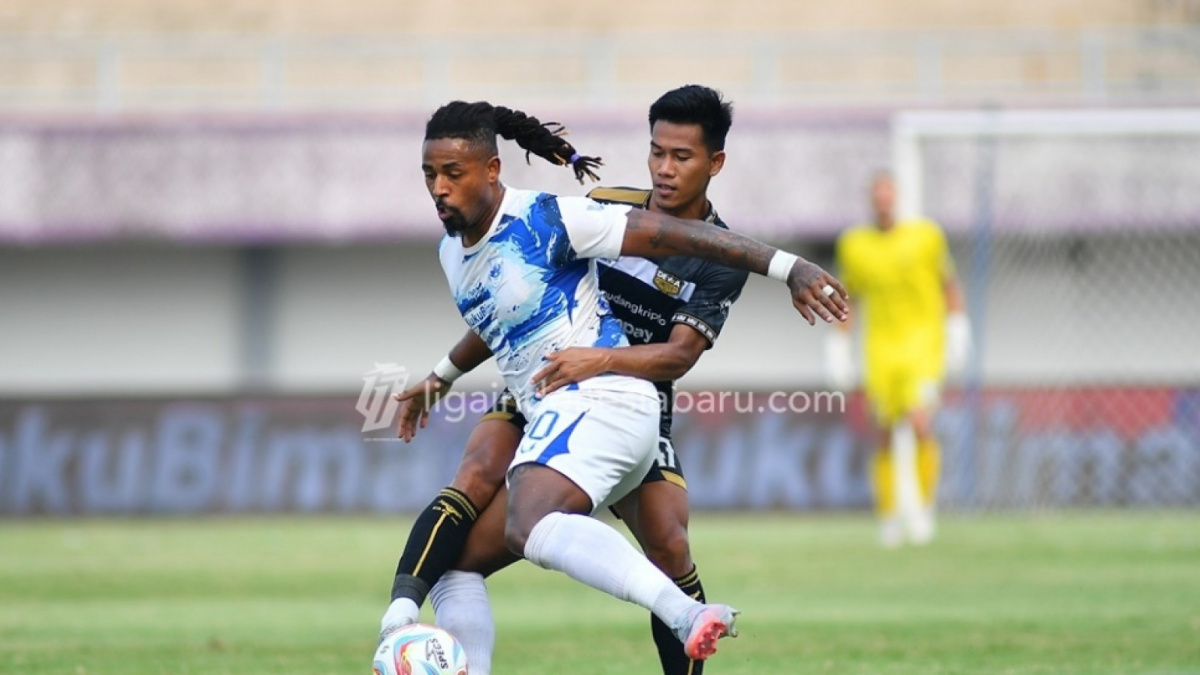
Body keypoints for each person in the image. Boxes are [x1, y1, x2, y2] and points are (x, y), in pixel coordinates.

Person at [383, 99, 848, 669]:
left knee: (669, 544)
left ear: (714, 163)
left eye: (682, 156)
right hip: (546, 380)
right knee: (475, 493)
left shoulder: (716, 255)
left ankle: (685, 630)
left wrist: (598, 361)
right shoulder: (603, 209)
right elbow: (513, 306)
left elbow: (677, 356)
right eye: (657, 152)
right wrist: (441, 376)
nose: (664, 169)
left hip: (619, 389)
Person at [825, 171, 970, 548]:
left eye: (890, 195)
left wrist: (957, 329)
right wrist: (839, 347)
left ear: (899, 198)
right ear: (872, 200)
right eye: (878, 196)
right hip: (880, 350)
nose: (884, 202)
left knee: (921, 422)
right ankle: (889, 517)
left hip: (923, 345)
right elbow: (850, 298)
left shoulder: (926, 236)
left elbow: (948, 284)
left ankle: (922, 511)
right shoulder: (855, 244)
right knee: (885, 434)